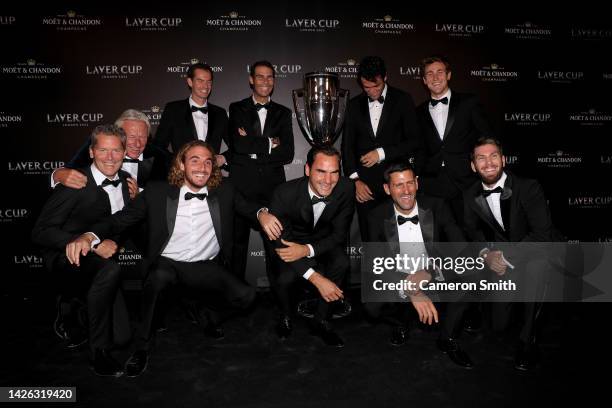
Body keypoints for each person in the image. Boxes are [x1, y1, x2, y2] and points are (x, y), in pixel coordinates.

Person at [66, 140, 279, 377]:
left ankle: (208, 314)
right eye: (194, 160)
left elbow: (249, 207)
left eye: (208, 161)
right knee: (158, 278)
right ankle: (142, 348)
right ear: (181, 164)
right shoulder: (157, 192)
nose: (202, 167)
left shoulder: (225, 190)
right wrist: (89, 235)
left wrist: (262, 214)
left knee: (247, 296)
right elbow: (119, 220)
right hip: (168, 264)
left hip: (204, 266)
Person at [32, 124, 132, 377]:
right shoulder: (75, 183)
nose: (110, 157)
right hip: (66, 256)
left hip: (100, 260)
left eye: (116, 151)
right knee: (109, 270)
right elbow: (40, 232)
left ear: (124, 152)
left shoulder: (125, 183)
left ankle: (77, 303)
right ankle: (99, 353)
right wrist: (92, 243)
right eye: (103, 150)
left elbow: (119, 225)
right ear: (91, 152)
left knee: (123, 337)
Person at [365, 160, 473, 368]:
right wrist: (411, 289)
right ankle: (402, 321)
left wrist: (429, 272)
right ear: (387, 189)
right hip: (400, 277)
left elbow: (461, 248)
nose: (406, 191)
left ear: (417, 183)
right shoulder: (376, 216)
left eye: (409, 183)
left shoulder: (438, 206)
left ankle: (448, 338)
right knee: (372, 305)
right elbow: (376, 263)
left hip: (432, 273)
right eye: (398, 185)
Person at [463, 137, 553, 370]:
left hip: (535, 251)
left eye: (493, 156)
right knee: (499, 325)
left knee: (536, 267)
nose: (488, 163)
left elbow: (542, 234)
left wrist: (503, 257)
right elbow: (472, 232)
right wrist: (486, 254)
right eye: (481, 158)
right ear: (473, 166)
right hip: (503, 257)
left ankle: (528, 340)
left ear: (503, 159)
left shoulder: (528, 186)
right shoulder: (470, 194)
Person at [260, 146, 354, 347]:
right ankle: (285, 315)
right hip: (289, 244)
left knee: (341, 262)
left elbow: (339, 235)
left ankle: (321, 320)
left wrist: (308, 250)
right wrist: (317, 279)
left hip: (321, 243)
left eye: (334, 172)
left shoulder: (346, 188)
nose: (328, 181)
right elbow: (281, 244)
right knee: (285, 277)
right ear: (307, 169)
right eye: (321, 171)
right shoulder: (284, 193)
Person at [341, 56, 421, 241]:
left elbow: (414, 141)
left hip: (396, 184)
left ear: (385, 77)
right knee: (371, 239)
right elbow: (347, 147)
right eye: (366, 87)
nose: (371, 91)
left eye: (375, 86)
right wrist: (355, 181)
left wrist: (381, 153)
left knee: (399, 239)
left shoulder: (403, 100)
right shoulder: (353, 106)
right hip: (365, 186)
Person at [228, 60, 294, 280]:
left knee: (276, 248)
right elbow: (238, 145)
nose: (265, 81)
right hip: (241, 187)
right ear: (251, 80)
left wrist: (252, 144)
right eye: (260, 76)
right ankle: (234, 298)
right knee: (236, 248)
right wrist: (269, 143)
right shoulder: (237, 108)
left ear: (274, 81)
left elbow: (288, 153)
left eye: (269, 77)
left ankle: (281, 303)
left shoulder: (284, 113)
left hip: (272, 189)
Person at [416, 54, 493, 224]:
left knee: (470, 235)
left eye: (440, 72)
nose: (435, 78)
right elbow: (419, 148)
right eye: (429, 74)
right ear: (423, 80)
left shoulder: (469, 102)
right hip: (432, 184)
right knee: (437, 240)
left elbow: (486, 138)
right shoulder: (419, 112)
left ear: (448, 75)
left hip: (465, 181)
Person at [51, 109, 170, 195]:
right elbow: (68, 170)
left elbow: (168, 196)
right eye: (132, 137)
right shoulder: (98, 145)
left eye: (143, 137)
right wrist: (57, 174)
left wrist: (140, 196)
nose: (137, 144)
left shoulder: (161, 156)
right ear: (118, 135)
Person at [154, 62, 230, 167]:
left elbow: (236, 146)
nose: (205, 86)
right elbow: (158, 146)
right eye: (200, 81)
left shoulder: (220, 113)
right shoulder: (173, 110)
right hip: (181, 175)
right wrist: (177, 162)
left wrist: (223, 158)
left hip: (211, 175)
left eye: (209, 82)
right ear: (190, 82)